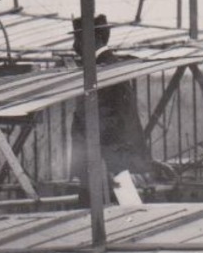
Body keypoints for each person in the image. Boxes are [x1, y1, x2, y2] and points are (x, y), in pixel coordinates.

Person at [68, 13, 166, 198]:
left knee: (116, 211)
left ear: (94, 39)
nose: (75, 46)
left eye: (78, 38)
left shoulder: (106, 70)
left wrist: (95, 148)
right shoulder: (104, 67)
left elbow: (116, 118)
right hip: (107, 162)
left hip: (109, 163)